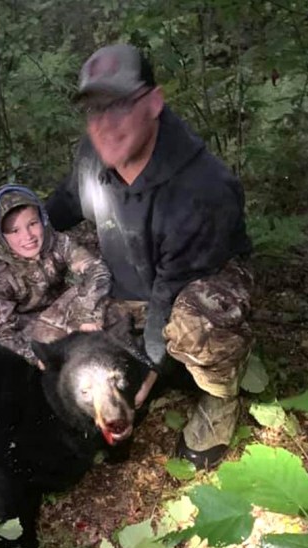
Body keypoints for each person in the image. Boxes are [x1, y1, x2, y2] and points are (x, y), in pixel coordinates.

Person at [45, 43, 254, 469]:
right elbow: (66, 202)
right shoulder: (93, 155)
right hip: (131, 283)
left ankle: (219, 397)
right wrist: (26, 228)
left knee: (197, 323)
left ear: (154, 102)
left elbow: (170, 291)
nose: (104, 124)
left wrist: (147, 367)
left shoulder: (202, 188)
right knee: (51, 324)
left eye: (119, 105)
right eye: (94, 110)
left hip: (197, 284)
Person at [0, 184, 112, 365]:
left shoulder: (58, 243)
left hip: (69, 310)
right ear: (0, 236)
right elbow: (2, 333)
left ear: (43, 219)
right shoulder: (2, 276)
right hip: (37, 333)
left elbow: (96, 270)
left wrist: (87, 314)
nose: (28, 236)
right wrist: (35, 357)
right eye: (15, 231)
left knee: (114, 312)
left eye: (32, 223)